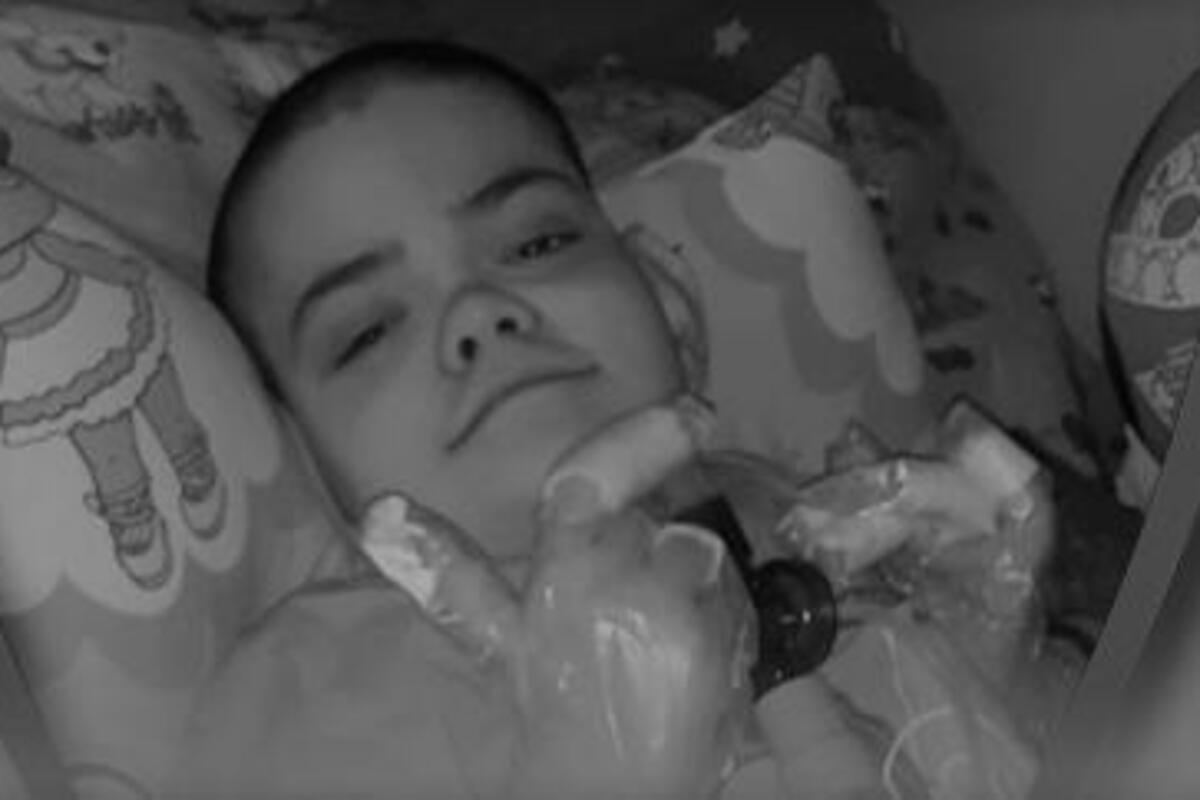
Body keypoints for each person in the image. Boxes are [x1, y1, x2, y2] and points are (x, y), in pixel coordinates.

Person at [175, 38, 1039, 799]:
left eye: (537, 243)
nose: (478, 312)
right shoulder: (313, 685)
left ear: (669, 306)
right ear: (300, 462)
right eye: (367, 331)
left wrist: (986, 657)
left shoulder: (807, 530)